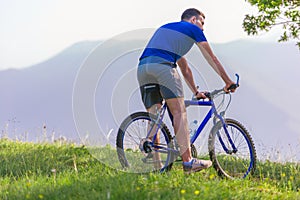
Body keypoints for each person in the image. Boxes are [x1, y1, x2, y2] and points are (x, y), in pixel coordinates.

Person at [137, 8, 236, 173]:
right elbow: (212, 58)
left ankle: (156, 166)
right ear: (193, 20)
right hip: (163, 66)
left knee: (155, 117)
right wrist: (228, 81)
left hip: (143, 68)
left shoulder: (170, 30)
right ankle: (188, 161)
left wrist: (196, 91)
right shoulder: (192, 30)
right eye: (202, 23)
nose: (203, 28)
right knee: (179, 112)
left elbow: (185, 68)